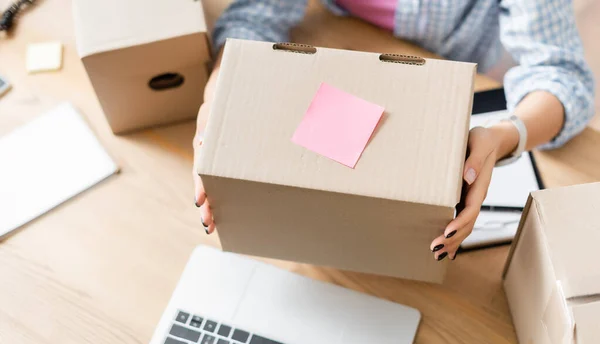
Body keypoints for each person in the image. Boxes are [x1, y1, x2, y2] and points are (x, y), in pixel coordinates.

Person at [193, 0, 595, 261]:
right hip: (349, 55)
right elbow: (254, 16)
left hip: (469, 85)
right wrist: (217, 101)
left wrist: (503, 137)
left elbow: (564, 79)